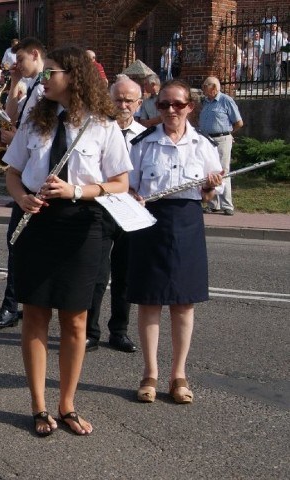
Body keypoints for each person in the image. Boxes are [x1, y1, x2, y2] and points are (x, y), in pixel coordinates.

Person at [4, 46, 131, 436]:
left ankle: (68, 404)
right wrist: (20, 196)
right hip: (37, 223)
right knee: (35, 315)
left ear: (73, 77)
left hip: (82, 225)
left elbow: (120, 183)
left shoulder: (103, 125)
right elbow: (12, 171)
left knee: (76, 320)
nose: (43, 80)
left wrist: (76, 191)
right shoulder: (35, 122)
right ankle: (40, 407)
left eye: (50, 73)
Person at [128, 79, 223, 405]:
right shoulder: (143, 143)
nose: (170, 110)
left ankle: (178, 374)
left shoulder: (203, 144)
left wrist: (210, 187)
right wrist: (133, 197)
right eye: (164, 105)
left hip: (186, 222)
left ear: (189, 108)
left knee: (184, 303)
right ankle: (150, 373)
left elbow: (210, 194)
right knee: (150, 300)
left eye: (177, 105)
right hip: (150, 223)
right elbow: (127, 186)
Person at [0, 37, 48, 330]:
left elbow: (40, 129)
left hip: (37, 174)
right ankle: (16, 303)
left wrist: (17, 137)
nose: (16, 64)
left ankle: (13, 306)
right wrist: (13, 84)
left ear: (35, 55)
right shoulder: (29, 86)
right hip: (24, 171)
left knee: (20, 244)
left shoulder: (46, 87)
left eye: (20, 59)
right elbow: (10, 117)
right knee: (17, 243)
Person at [85, 78, 146, 353]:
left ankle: (119, 331)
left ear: (138, 104)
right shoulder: (97, 130)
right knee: (97, 274)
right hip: (101, 208)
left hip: (130, 211)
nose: (122, 105)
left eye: (128, 101)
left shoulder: (145, 136)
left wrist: (140, 192)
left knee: (125, 273)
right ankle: (90, 331)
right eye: (118, 100)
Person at [200, 77, 243, 216]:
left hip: (222, 139)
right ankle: (213, 204)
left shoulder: (226, 100)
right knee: (211, 171)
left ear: (213, 87)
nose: (203, 88)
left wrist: (228, 134)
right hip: (207, 140)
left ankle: (227, 204)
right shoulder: (206, 102)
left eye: (205, 86)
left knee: (224, 171)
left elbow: (238, 122)